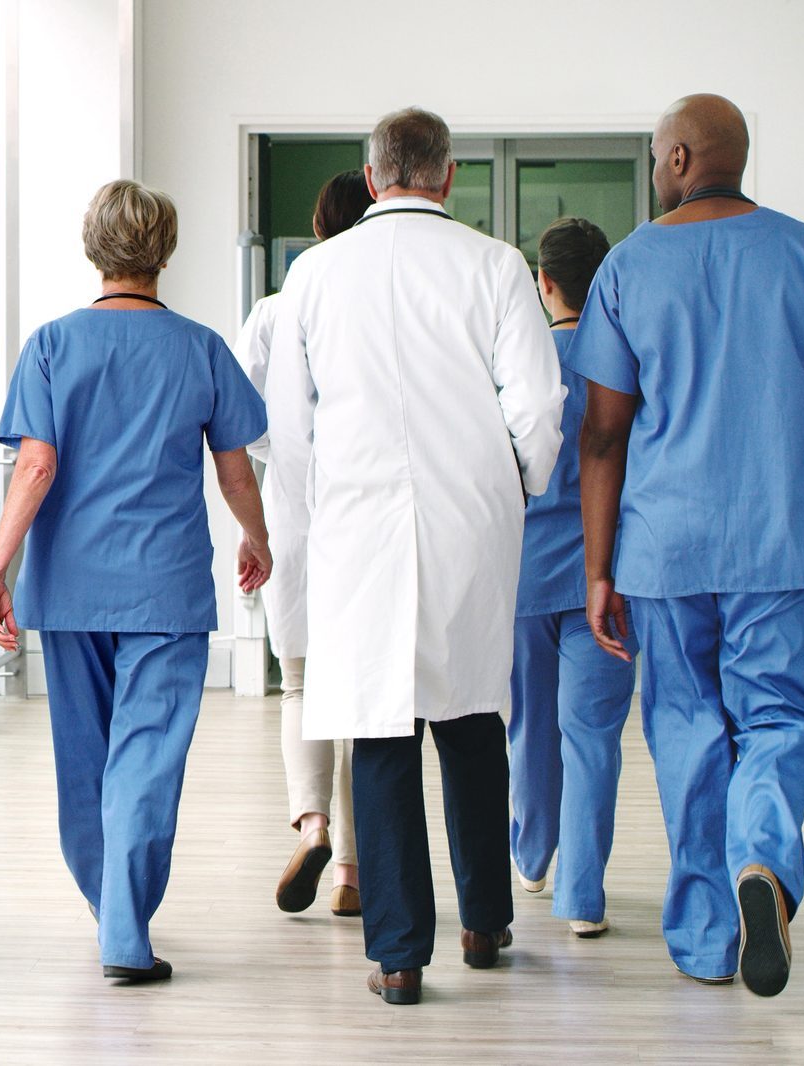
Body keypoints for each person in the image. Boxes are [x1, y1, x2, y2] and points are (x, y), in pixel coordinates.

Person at [566, 94, 804, 997]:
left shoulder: (627, 267)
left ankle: (706, 940)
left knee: (686, 730)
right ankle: (763, 867)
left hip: (664, 550)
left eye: (658, 154)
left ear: (678, 158)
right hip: (775, 540)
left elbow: (600, 436)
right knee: (776, 720)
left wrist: (596, 567)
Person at [266, 107, 564, 1006]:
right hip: (471, 516)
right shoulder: (495, 265)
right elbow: (538, 405)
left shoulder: (312, 275)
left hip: (357, 528)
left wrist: (324, 510)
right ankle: (484, 922)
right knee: (473, 719)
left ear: (370, 172)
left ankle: (398, 957)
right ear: (448, 174)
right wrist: (514, 487)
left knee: (381, 732)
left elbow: (288, 422)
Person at [0, 179, 273, 985]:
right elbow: (236, 471)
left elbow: (35, 465)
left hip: (71, 585)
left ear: (92, 250)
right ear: (165, 253)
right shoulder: (200, 347)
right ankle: (124, 927)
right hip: (166, 587)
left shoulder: (50, 344)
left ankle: (114, 916)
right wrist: (256, 538)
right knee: (145, 759)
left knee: (85, 760)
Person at [234, 169, 374, 918]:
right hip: (368, 520)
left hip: (292, 513)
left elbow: (241, 417)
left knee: (300, 683)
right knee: (364, 704)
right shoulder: (377, 308)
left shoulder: (270, 312)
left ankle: (312, 824)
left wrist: (287, 455)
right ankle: (352, 872)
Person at [507, 217, 638, 939]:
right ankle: (582, 897)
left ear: (544, 281)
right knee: (591, 733)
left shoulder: (522, 367)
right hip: (607, 577)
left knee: (529, 725)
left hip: (523, 576)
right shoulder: (622, 366)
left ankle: (530, 855)